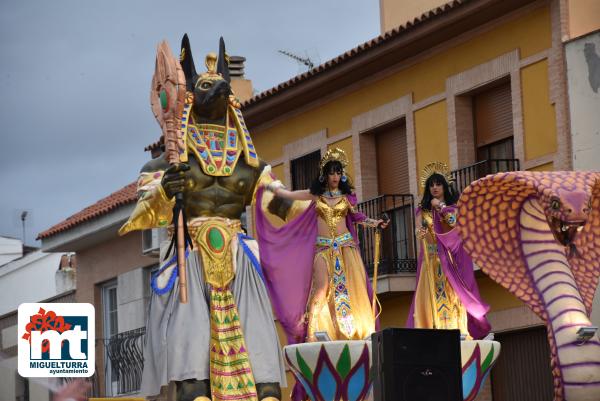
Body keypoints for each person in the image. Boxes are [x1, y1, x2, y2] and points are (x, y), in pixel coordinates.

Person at [119, 36, 285, 401]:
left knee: (256, 333)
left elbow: (278, 203)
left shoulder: (250, 163)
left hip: (238, 253)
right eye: (207, 84)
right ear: (190, 96)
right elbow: (143, 211)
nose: (218, 89)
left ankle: (265, 385)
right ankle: (194, 386)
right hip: (190, 253)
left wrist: (309, 200)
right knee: (191, 338)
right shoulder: (166, 163)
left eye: (221, 85)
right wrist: (165, 188)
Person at [255, 148, 387, 344]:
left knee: (350, 290)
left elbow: (357, 217)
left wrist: (374, 223)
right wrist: (272, 187)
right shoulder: (316, 196)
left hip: (345, 248)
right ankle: (311, 335)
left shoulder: (347, 198)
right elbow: (291, 195)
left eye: (338, 172)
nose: (335, 176)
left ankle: (352, 331)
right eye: (332, 172)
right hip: (323, 249)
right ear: (325, 175)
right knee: (320, 290)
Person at [407, 162, 491, 339]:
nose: (435, 187)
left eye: (438, 184)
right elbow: (417, 230)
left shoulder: (453, 208)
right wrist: (420, 232)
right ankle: (430, 327)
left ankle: (456, 327)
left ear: (445, 186)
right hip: (429, 260)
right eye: (431, 185)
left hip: (448, 259)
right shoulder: (421, 211)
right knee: (428, 294)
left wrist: (441, 207)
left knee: (453, 293)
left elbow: (454, 223)